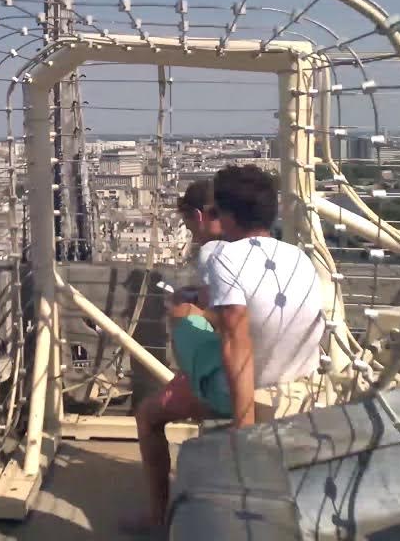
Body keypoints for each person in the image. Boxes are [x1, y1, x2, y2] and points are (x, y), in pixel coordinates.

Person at [125, 165, 323, 532]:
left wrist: (242, 431)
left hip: (246, 391)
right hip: (299, 382)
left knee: (149, 414)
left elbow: (236, 341)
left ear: (228, 215)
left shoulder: (224, 258)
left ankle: (157, 519)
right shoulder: (299, 258)